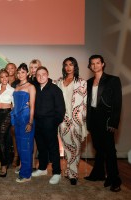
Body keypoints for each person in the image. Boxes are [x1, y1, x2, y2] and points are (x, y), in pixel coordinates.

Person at [85, 55, 122, 192]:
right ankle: (98, 174)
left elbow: (117, 103)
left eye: (97, 63)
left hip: (106, 119)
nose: (95, 65)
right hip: (93, 118)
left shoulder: (113, 80)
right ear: (90, 66)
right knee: (98, 148)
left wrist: (114, 122)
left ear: (103, 64)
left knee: (110, 150)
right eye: (92, 63)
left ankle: (114, 179)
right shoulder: (88, 82)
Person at [54, 57, 87, 185]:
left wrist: (82, 120)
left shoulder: (82, 82)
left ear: (75, 66)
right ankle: (69, 170)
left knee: (76, 146)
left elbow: (84, 103)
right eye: (66, 65)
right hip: (62, 118)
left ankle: (73, 174)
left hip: (76, 118)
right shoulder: (58, 82)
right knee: (67, 146)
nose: (68, 67)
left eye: (71, 64)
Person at [32, 66, 65, 185]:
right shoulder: (34, 88)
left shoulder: (55, 89)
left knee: (53, 148)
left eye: (43, 74)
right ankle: (42, 168)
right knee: (41, 147)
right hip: (37, 122)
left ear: (48, 74)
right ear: (35, 76)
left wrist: (54, 123)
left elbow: (61, 109)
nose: (41, 77)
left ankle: (57, 173)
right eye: (38, 75)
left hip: (50, 123)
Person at [10, 63, 36, 183]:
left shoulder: (31, 87)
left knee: (26, 147)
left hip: (26, 118)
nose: (20, 74)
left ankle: (26, 175)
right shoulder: (16, 86)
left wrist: (30, 122)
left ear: (27, 73)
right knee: (20, 147)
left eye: (23, 72)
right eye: (19, 72)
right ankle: (24, 169)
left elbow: (32, 106)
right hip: (17, 118)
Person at [0, 69, 14, 177]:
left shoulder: (12, 90)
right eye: (2, 77)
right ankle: (4, 161)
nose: (4, 78)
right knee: (0, 139)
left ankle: (4, 165)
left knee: (1, 138)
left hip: (7, 114)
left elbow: (14, 106)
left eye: (6, 76)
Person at [5, 63, 20, 168]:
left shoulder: (18, 83)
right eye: (8, 68)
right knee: (6, 135)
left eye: (12, 68)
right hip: (4, 112)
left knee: (15, 135)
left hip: (16, 112)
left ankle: (16, 156)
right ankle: (8, 157)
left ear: (15, 69)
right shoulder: (3, 81)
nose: (10, 70)